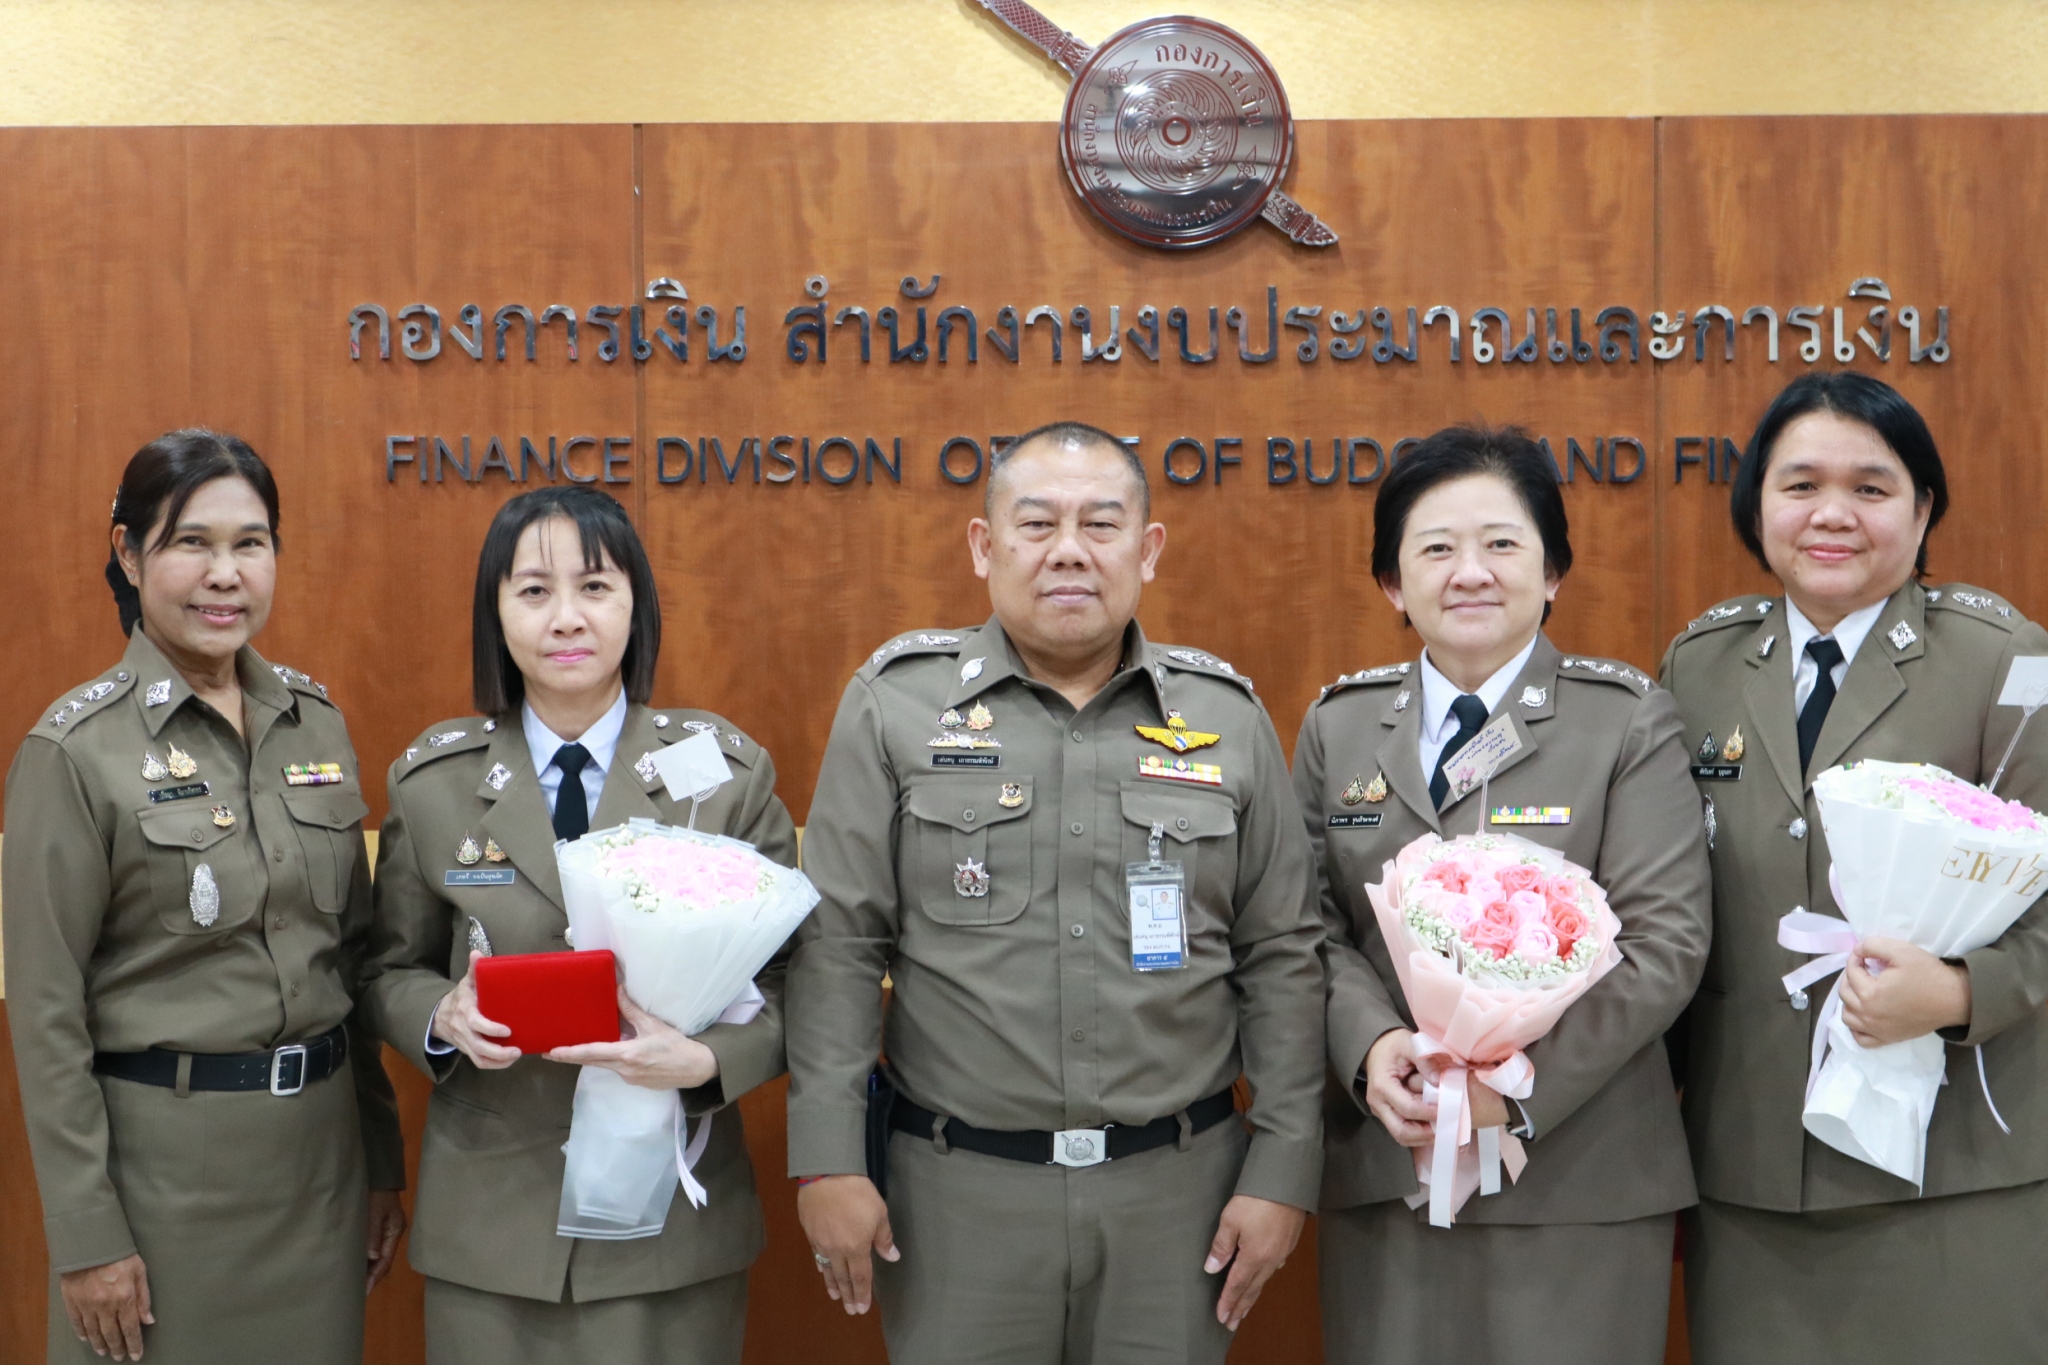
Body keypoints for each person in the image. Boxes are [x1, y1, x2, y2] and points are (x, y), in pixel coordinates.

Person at [786, 420, 1325, 1364]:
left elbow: (1280, 953)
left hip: (1179, 1199)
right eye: (1036, 524)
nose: (1069, 550)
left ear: (1147, 550)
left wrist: (1283, 1166)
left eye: (1100, 524)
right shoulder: (896, 703)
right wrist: (828, 1155)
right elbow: (839, 945)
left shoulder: (1226, 717)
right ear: (984, 545)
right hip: (957, 1199)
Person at [1296, 425, 1709, 1364]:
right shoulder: (1338, 726)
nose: (1470, 572)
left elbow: (1664, 946)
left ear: (1553, 569)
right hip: (1389, 1162)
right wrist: (1372, 1050)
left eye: (1502, 543)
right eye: (1437, 548)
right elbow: (1306, 928)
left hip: (1578, 1177)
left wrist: (1510, 1093)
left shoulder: (1623, 719)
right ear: (1392, 582)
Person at [359, 485, 796, 1365]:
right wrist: (440, 1015)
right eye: (533, 590)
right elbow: (384, 970)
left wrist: (710, 1061)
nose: (566, 617)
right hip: (492, 1220)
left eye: (595, 587)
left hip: (672, 1218)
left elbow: (798, 982)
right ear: (496, 612)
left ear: (637, 604)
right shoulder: (434, 782)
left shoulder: (722, 774)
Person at [1661, 372, 2048, 1363]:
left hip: (1951, 1163)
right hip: (1748, 1168)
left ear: (1922, 510)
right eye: (1799, 485)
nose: (1831, 514)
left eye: (1871, 488)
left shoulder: (2006, 662)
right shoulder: (1699, 665)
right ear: (1755, 505)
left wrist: (1962, 990)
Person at [3, 429, 406, 1364]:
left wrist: (381, 1160)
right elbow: (47, 1016)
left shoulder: (314, 723)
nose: (225, 573)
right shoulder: (74, 751)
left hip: (320, 1173)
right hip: (162, 1188)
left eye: (250, 543)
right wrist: (86, 1234)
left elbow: (351, 967)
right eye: (193, 542)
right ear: (129, 552)